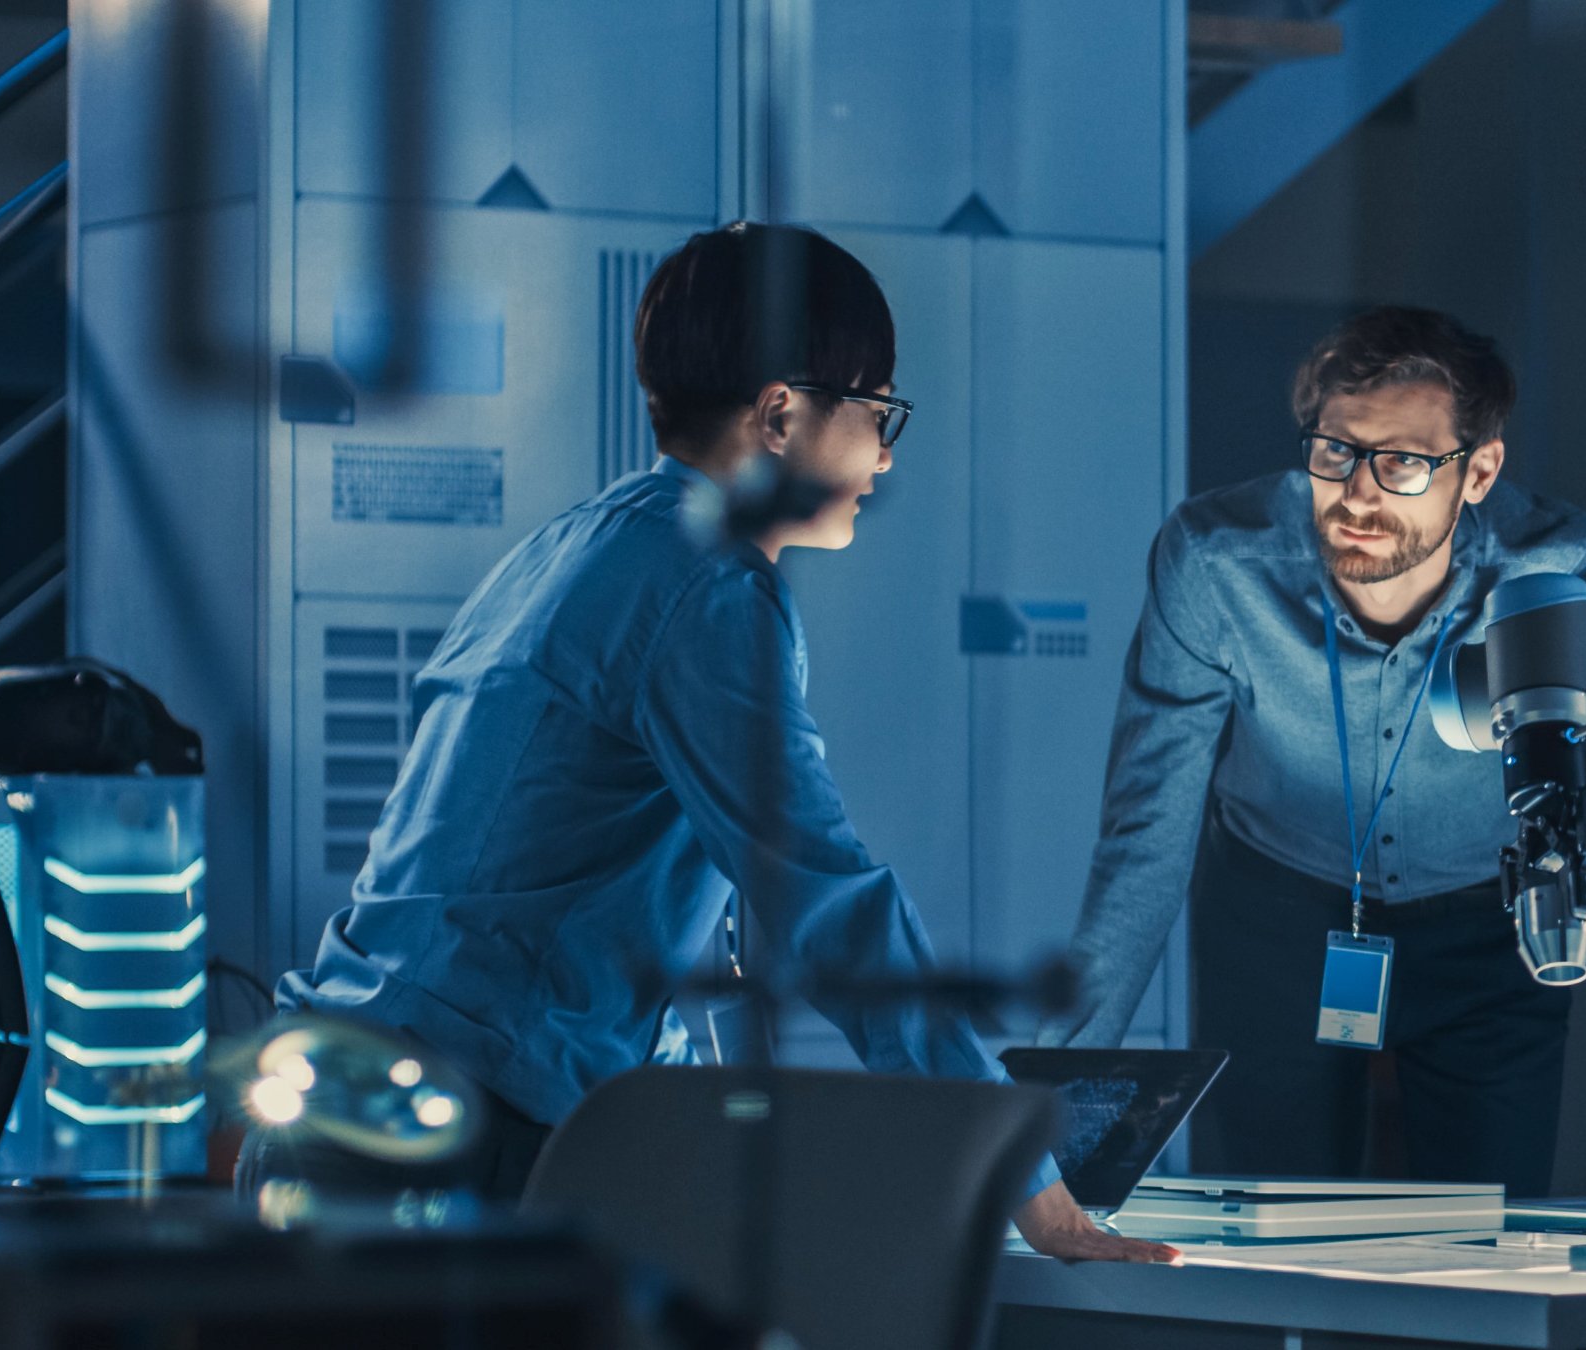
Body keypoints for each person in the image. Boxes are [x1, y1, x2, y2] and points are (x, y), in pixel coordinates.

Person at [251, 222, 1172, 1264]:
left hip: (352, 1108)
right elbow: (829, 901)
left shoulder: (579, 544)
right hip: (438, 1146)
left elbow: (586, 901)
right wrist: (1026, 1178)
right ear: (781, 414)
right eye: (877, 411)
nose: (885, 454)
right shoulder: (710, 589)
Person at [1043, 306, 1586, 1208]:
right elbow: (1145, 834)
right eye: (1334, 451)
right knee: (1264, 1237)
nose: (1358, 494)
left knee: (1487, 1247)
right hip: (1276, 915)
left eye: (1402, 462)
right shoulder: (1216, 563)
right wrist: (1051, 1118)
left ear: (1479, 471)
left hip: (1489, 931)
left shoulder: (1571, 578)